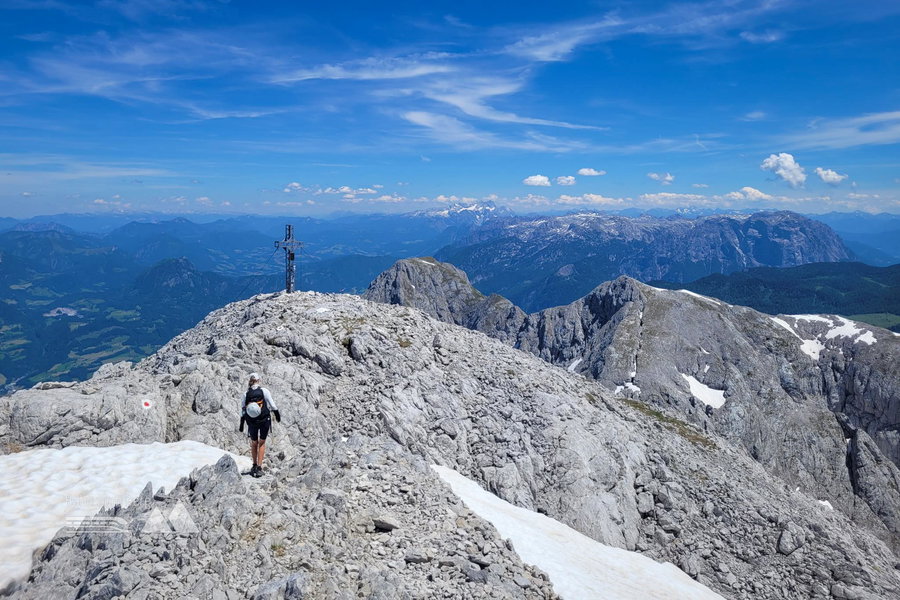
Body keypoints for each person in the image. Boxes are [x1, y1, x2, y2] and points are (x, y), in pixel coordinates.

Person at [238, 372, 281, 477]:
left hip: (252, 422)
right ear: (259, 380)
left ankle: (254, 465)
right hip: (264, 420)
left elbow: (243, 410)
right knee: (261, 443)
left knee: (254, 443)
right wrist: (277, 415)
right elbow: (273, 406)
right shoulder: (264, 391)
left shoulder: (246, 394)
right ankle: (259, 467)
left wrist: (242, 423)